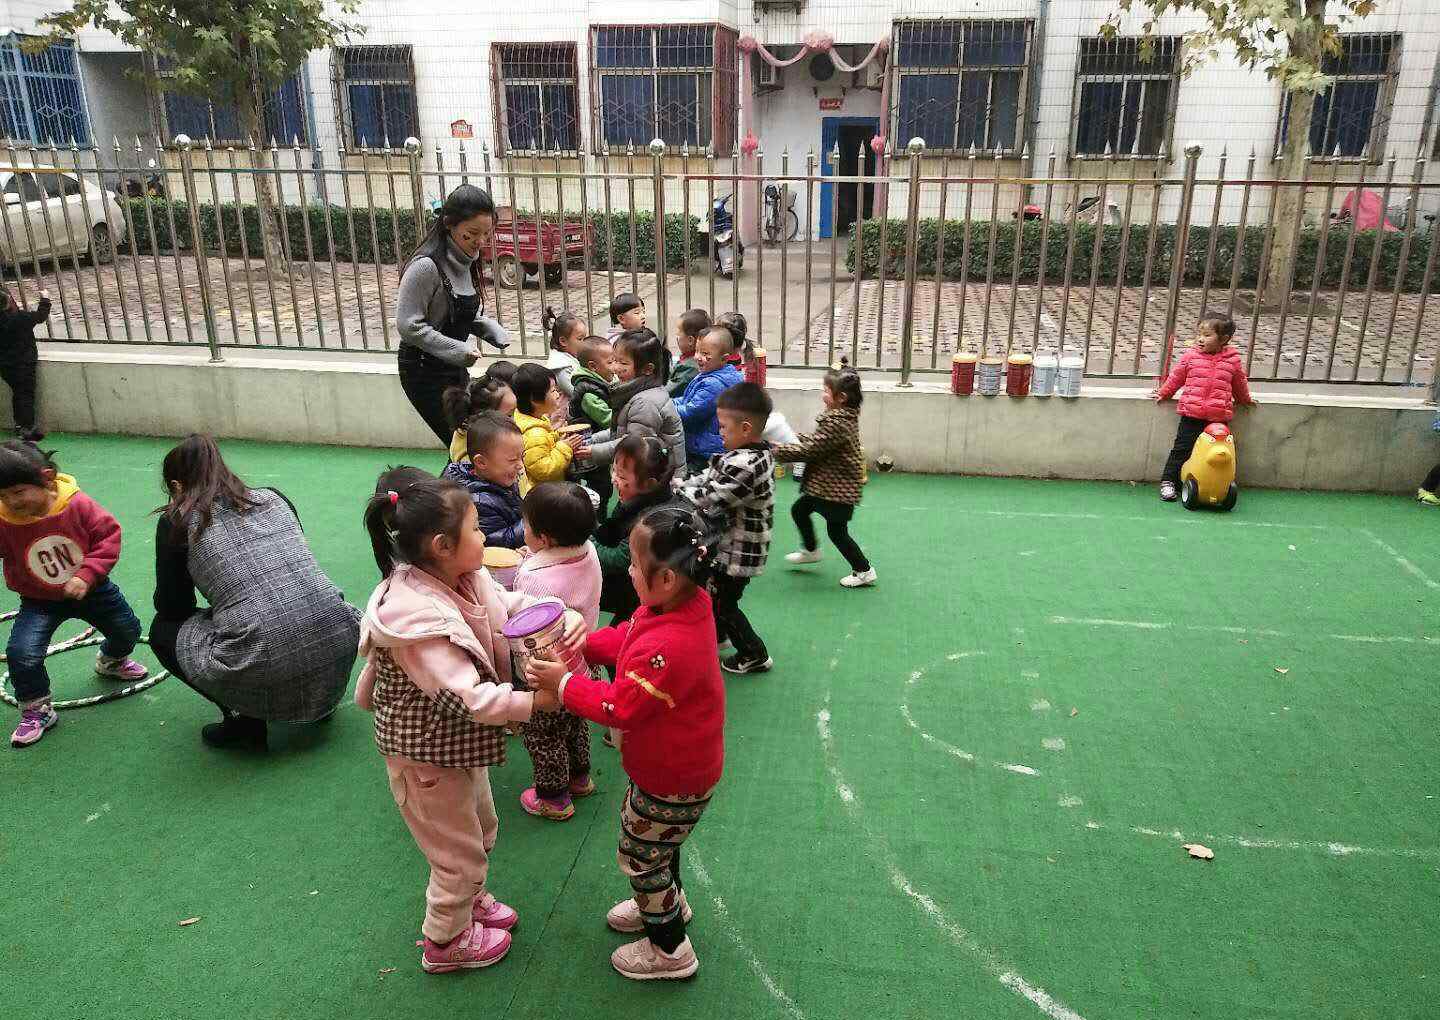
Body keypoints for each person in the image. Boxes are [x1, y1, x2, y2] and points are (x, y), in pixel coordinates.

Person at [356, 467, 569, 974]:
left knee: (482, 827)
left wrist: (559, 612)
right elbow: (469, 698)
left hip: (454, 747)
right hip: (424, 757)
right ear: (441, 545)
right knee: (455, 856)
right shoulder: (417, 622)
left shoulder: (464, 577)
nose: (485, 535)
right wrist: (536, 704)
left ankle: (470, 900)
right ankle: (444, 944)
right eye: (476, 528)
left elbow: (506, 607)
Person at [524, 503, 725, 981]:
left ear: (667, 579)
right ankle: (668, 904)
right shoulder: (678, 607)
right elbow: (629, 637)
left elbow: (620, 706)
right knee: (660, 843)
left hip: (671, 776)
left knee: (641, 853)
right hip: (671, 767)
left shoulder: (670, 647)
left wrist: (565, 684)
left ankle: (670, 949)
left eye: (635, 565)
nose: (629, 571)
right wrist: (582, 645)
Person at [150, 434, 360, 749]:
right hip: (340, 637)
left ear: (177, 486)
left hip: (265, 648)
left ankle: (242, 720)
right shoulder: (274, 497)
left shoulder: (177, 522)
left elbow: (173, 606)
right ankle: (320, 698)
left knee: (162, 631)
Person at [0, 442, 146, 748]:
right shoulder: (4, 518)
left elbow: (108, 537)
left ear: (47, 478)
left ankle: (112, 660)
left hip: (93, 591)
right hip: (38, 600)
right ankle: (36, 708)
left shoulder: (76, 505)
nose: (11, 502)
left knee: (128, 629)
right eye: (2, 496)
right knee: (21, 653)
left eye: (17, 492)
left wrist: (87, 574)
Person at [511, 482, 601, 821]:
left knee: (544, 735)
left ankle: (554, 798)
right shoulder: (588, 550)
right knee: (576, 722)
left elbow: (521, 620)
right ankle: (580, 778)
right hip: (583, 664)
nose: (524, 529)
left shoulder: (532, 577)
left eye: (527, 524)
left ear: (545, 538)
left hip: (546, 674)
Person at [396, 185, 510, 444]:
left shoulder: (467, 260)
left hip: (454, 367)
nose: (480, 242)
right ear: (449, 224)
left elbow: (456, 311)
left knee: (472, 442)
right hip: (423, 370)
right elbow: (408, 325)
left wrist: (486, 326)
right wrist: (457, 349)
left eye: (487, 234)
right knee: (462, 444)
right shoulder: (426, 267)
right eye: (472, 234)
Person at [676, 383, 775, 675]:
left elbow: (714, 496)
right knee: (716, 593)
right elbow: (710, 476)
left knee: (724, 602)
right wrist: (684, 483)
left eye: (723, 427)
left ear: (745, 429)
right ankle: (719, 635)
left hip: (741, 551)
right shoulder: (744, 453)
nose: (720, 432)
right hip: (730, 545)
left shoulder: (748, 464)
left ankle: (754, 653)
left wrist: (679, 494)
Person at [775, 362, 875, 588]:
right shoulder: (839, 417)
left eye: (825, 391)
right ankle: (811, 550)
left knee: (837, 532)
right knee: (799, 510)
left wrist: (777, 449)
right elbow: (816, 442)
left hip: (838, 490)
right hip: (827, 486)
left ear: (841, 397)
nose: (822, 395)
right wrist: (791, 436)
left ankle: (864, 570)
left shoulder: (838, 423)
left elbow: (811, 451)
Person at [1153, 313, 1257, 502]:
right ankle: (1168, 482)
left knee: (1217, 453)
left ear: (1223, 339)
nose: (1200, 339)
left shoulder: (1232, 360)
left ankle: (1215, 483)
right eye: (1199, 334)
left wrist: (1245, 399)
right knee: (1182, 449)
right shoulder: (1191, 356)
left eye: (1207, 335)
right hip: (1192, 414)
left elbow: (1239, 383)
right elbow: (1176, 377)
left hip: (1218, 419)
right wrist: (1164, 393)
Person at [587, 328, 686, 480]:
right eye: (614, 360)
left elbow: (634, 443)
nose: (615, 368)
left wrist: (592, 451)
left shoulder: (645, 402)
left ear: (648, 369)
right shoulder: (639, 391)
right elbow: (622, 429)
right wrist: (591, 439)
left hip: (657, 479)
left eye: (623, 363)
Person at [597, 434, 677, 622]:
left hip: (642, 596)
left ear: (649, 484)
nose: (613, 479)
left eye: (622, 476)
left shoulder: (649, 522)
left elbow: (619, 559)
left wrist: (585, 540)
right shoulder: (634, 500)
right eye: (613, 470)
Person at [442, 412, 527, 549]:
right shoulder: (476, 501)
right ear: (481, 462)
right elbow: (496, 542)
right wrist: (533, 522)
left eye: (522, 457)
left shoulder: (499, 478)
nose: (521, 465)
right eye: (512, 460)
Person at [674, 327, 743, 473]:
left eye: (705, 354)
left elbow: (692, 412)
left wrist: (666, 408)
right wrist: (669, 403)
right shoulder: (711, 373)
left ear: (724, 358)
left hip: (705, 451)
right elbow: (688, 399)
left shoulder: (715, 384)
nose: (698, 357)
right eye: (697, 351)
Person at [511, 363, 583, 494]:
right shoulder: (534, 434)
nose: (557, 394)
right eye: (553, 390)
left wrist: (557, 437)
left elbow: (544, 446)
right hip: (543, 494)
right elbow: (543, 469)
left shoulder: (535, 419)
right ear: (535, 399)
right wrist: (565, 448)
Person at [0, 287, 50, 442]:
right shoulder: (21, 318)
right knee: (26, 395)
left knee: (18, 392)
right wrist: (45, 299)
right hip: (24, 363)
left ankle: (19, 424)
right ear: (9, 303)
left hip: (5, 365)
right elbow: (41, 316)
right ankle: (26, 428)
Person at [443, 376, 517, 464]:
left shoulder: (480, 432)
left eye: (515, 412)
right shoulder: (469, 455)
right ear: (482, 416)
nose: (515, 421)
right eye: (509, 415)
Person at [542, 306, 586, 401]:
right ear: (563, 341)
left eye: (584, 338)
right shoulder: (561, 367)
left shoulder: (572, 357)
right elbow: (576, 394)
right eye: (580, 339)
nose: (584, 342)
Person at [667, 309, 709, 398]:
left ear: (690, 340)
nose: (676, 334)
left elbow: (666, 392)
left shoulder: (689, 368)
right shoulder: (689, 360)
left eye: (679, 331)